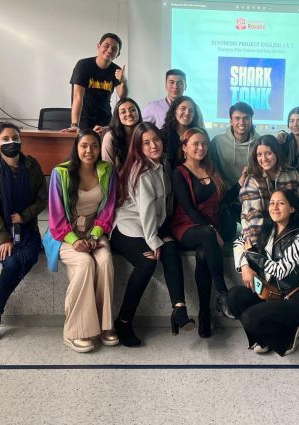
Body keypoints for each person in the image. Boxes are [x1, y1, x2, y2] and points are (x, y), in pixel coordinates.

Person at [110, 122, 194, 346]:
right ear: (138, 147)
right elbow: (146, 210)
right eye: (146, 143)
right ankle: (124, 321)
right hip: (128, 228)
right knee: (147, 263)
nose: (153, 145)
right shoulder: (143, 171)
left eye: (155, 140)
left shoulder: (163, 163)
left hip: (150, 226)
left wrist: (163, 234)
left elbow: (164, 203)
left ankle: (179, 308)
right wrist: (153, 241)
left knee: (171, 245)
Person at [43, 130, 118, 353]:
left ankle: (105, 325)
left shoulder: (107, 170)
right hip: (64, 235)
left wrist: (95, 236)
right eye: (84, 146)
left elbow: (109, 210)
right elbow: (56, 217)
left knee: (104, 260)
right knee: (85, 263)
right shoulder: (61, 172)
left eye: (94, 146)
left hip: (95, 232)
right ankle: (73, 330)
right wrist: (75, 241)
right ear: (76, 148)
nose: (89, 151)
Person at [0, 122, 47, 341]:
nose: (11, 142)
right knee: (14, 262)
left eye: (15, 137)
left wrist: (24, 216)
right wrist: (4, 238)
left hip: (27, 229)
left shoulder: (32, 165)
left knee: (30, 257)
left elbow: (42, 199)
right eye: (5, 139)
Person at [229, 189, 299, 356]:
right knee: (233, 297)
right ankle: (265, 338)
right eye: (272, 203)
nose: (275, 207)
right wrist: (245, 266)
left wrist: (253, 254)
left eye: (281, 203)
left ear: (292, 209)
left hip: (291, 300)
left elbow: (280, 271)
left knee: (249, 318)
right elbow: (238, 242)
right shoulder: (266, 230)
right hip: (268, 292)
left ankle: (288, 333)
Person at [170, 127, 235, 337]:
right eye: (195, 144)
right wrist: (212, 231)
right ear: (184, 148)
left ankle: (205, 316)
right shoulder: (179, 172)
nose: (201, 148)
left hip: (210, 228)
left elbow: (222, 199)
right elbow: (188, 208)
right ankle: (223, 293)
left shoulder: (211, 167)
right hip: (186, 226)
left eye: (204, 144)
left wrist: (240, 184)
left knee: (204, 255)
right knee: (207, 237)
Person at [239, 135, 299, 247]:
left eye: (268, 153)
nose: (264, 159)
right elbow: (252, 217)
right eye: (259, 154)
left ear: (277, 153)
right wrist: (259, 246)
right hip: (260, 235)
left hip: (293, 231)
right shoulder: (252, 180)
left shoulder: (294, 174)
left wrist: (293, 226)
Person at [210, 102, 260, 239]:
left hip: (251, 200)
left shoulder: (260, 142)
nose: (241, 122)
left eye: (246, 118)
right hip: (227, 199)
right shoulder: (217, 142)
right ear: (231, 121)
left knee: (255, 236)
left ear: (251, 120)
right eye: (237, 118)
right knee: (228, 235)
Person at [64, 33, 128, 132]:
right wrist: (74, 124)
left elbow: (122, 96)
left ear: (118, 54)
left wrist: (124, 82)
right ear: (98, 46)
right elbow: (77, 96)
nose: (110, 50)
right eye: (106, 46)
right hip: (83, 120)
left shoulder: (116, 70)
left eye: (114, 49)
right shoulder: (83, 65)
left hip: (105, 121)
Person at [101, 97, 142, 172]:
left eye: (132, 110)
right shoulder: (110, 137)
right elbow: (108, 168)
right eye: (123, 112)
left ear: (138, 112)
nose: (129, 114)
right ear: (118, 116)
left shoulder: (144, 134)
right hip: (117, 180)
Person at [159, 96, 199, 167]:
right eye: (183, 109)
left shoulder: (198, 135)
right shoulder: (162, 135)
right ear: (175, 111)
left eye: (191, 111)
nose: (187, 113)